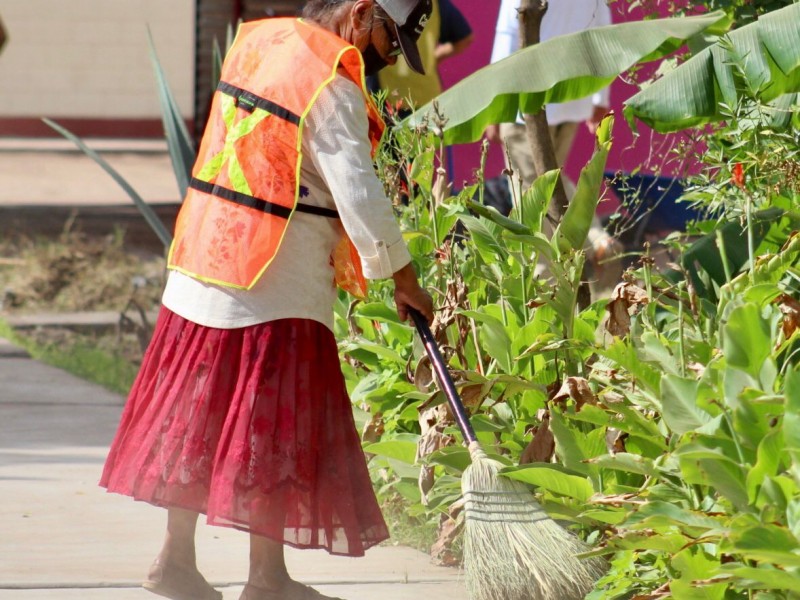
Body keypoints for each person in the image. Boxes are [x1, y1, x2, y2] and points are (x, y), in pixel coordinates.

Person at [99, 2, 434, 600]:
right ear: (361, 13)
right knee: (272, 421)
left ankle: (174, 562)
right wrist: (403, 278)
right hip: (274, 274)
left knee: (198, 412)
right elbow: (355, 189)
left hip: (206, 249)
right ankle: (267, 580)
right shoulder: (330, 76)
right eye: (388, 40)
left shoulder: (260, 39)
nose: (385, 58)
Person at [484, 0, 620, 289]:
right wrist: (599, 99)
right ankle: (597, 240)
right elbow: (602, 37)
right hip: (572, 101)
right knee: (549, 183)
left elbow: (507, 37)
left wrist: (493, 106)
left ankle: (544, 284)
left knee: (531, 198)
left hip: (525, 106)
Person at [372, 0, 473, 113]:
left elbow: (465, 37)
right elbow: (465, 38)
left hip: (422, 100)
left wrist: (433, 58)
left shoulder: (437, 4)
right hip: (391, 98)